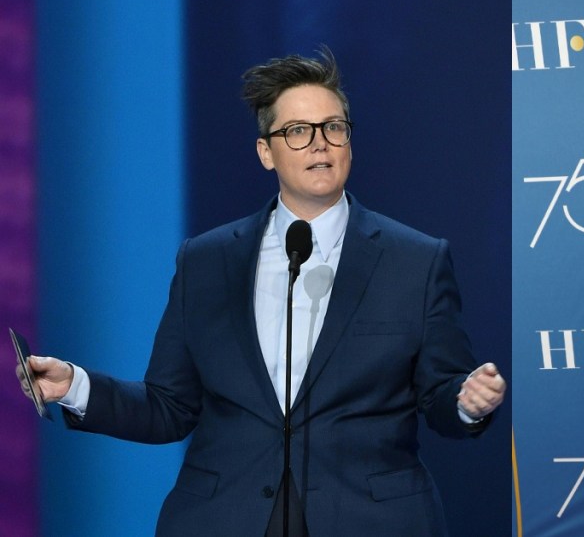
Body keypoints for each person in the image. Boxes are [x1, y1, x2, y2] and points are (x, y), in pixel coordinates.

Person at [16, 47, 506, 537]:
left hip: (370, 519)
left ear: (349, 144)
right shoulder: (206, 260)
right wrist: (75, 386)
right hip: (225, 518)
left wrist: (466, 402)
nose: (320, 144)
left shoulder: (415, 260)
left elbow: (441, 394)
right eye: (298, 131)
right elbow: (169, 407)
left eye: (334, 128)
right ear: (265, 152)